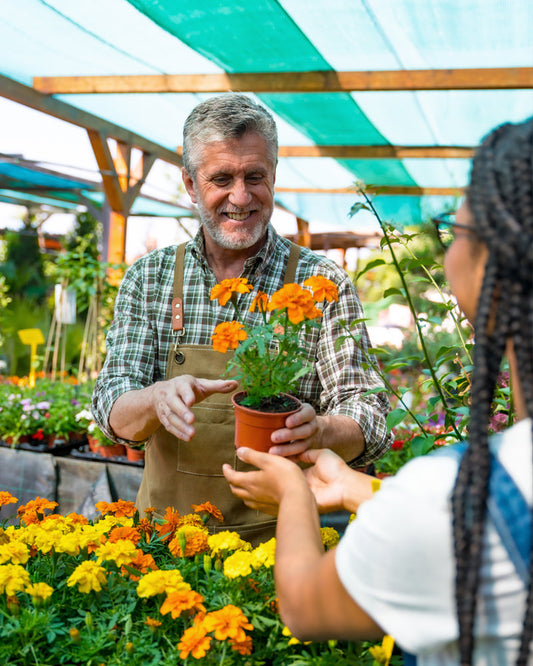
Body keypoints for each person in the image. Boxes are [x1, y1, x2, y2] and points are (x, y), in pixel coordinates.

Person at [223, 116, 533, 663]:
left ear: (493, 265)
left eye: (452, 232)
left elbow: (303, 605)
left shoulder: (445, 500)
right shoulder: (453, 503)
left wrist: (295, 495)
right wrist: (353, 489)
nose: (443, 252)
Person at [92, 93, 391, 544]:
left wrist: (321, 429)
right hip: (163, 548)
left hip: (278, 550)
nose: (240, 196)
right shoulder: (149, 278)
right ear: (191, 185)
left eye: (255, 176)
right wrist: (156, 399)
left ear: (273, 175)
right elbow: (111, 407)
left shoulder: (320, 282)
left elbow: (368, 410)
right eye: (221, 178)